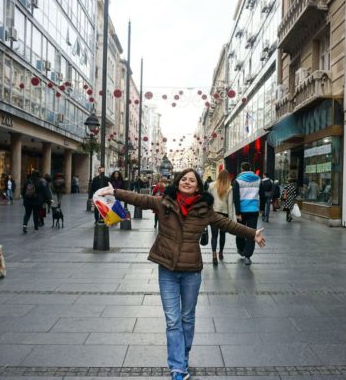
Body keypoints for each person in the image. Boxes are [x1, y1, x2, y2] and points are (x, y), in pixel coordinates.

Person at [96, 168, 266, 380]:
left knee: (187, 317)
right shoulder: (164, 202)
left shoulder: (204, 210)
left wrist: (252, 233)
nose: (187, 182)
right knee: (173, 320)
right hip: (167, 269)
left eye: (191, 180)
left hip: (191, 272)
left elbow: (227, 224)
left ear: (197, 186)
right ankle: (178, 368)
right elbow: (141, 199)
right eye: (184, 179)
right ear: (178, 182)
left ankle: (182, 355)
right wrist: (115, 192)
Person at [232, 162, 263, 265]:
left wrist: (237, 212)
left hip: (242, 210)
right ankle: (247, 255)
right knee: (252, 233)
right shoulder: (258, 179)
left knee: (240, 231)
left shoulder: (238, 181)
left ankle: (241, 249)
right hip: (253, 210)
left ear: (241, 169)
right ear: (250, 168)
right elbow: (262, 195)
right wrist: (261, 209)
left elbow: (236, 198)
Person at [207, 170, 235, 266]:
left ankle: (214, 254)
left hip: (214, 213)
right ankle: (221, 252)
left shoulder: (211, 186)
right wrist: (230, 219)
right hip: (224, 214)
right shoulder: (229, 188)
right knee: (222, 235)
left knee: (214, 235)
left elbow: (208, 200)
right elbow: (230, 204)